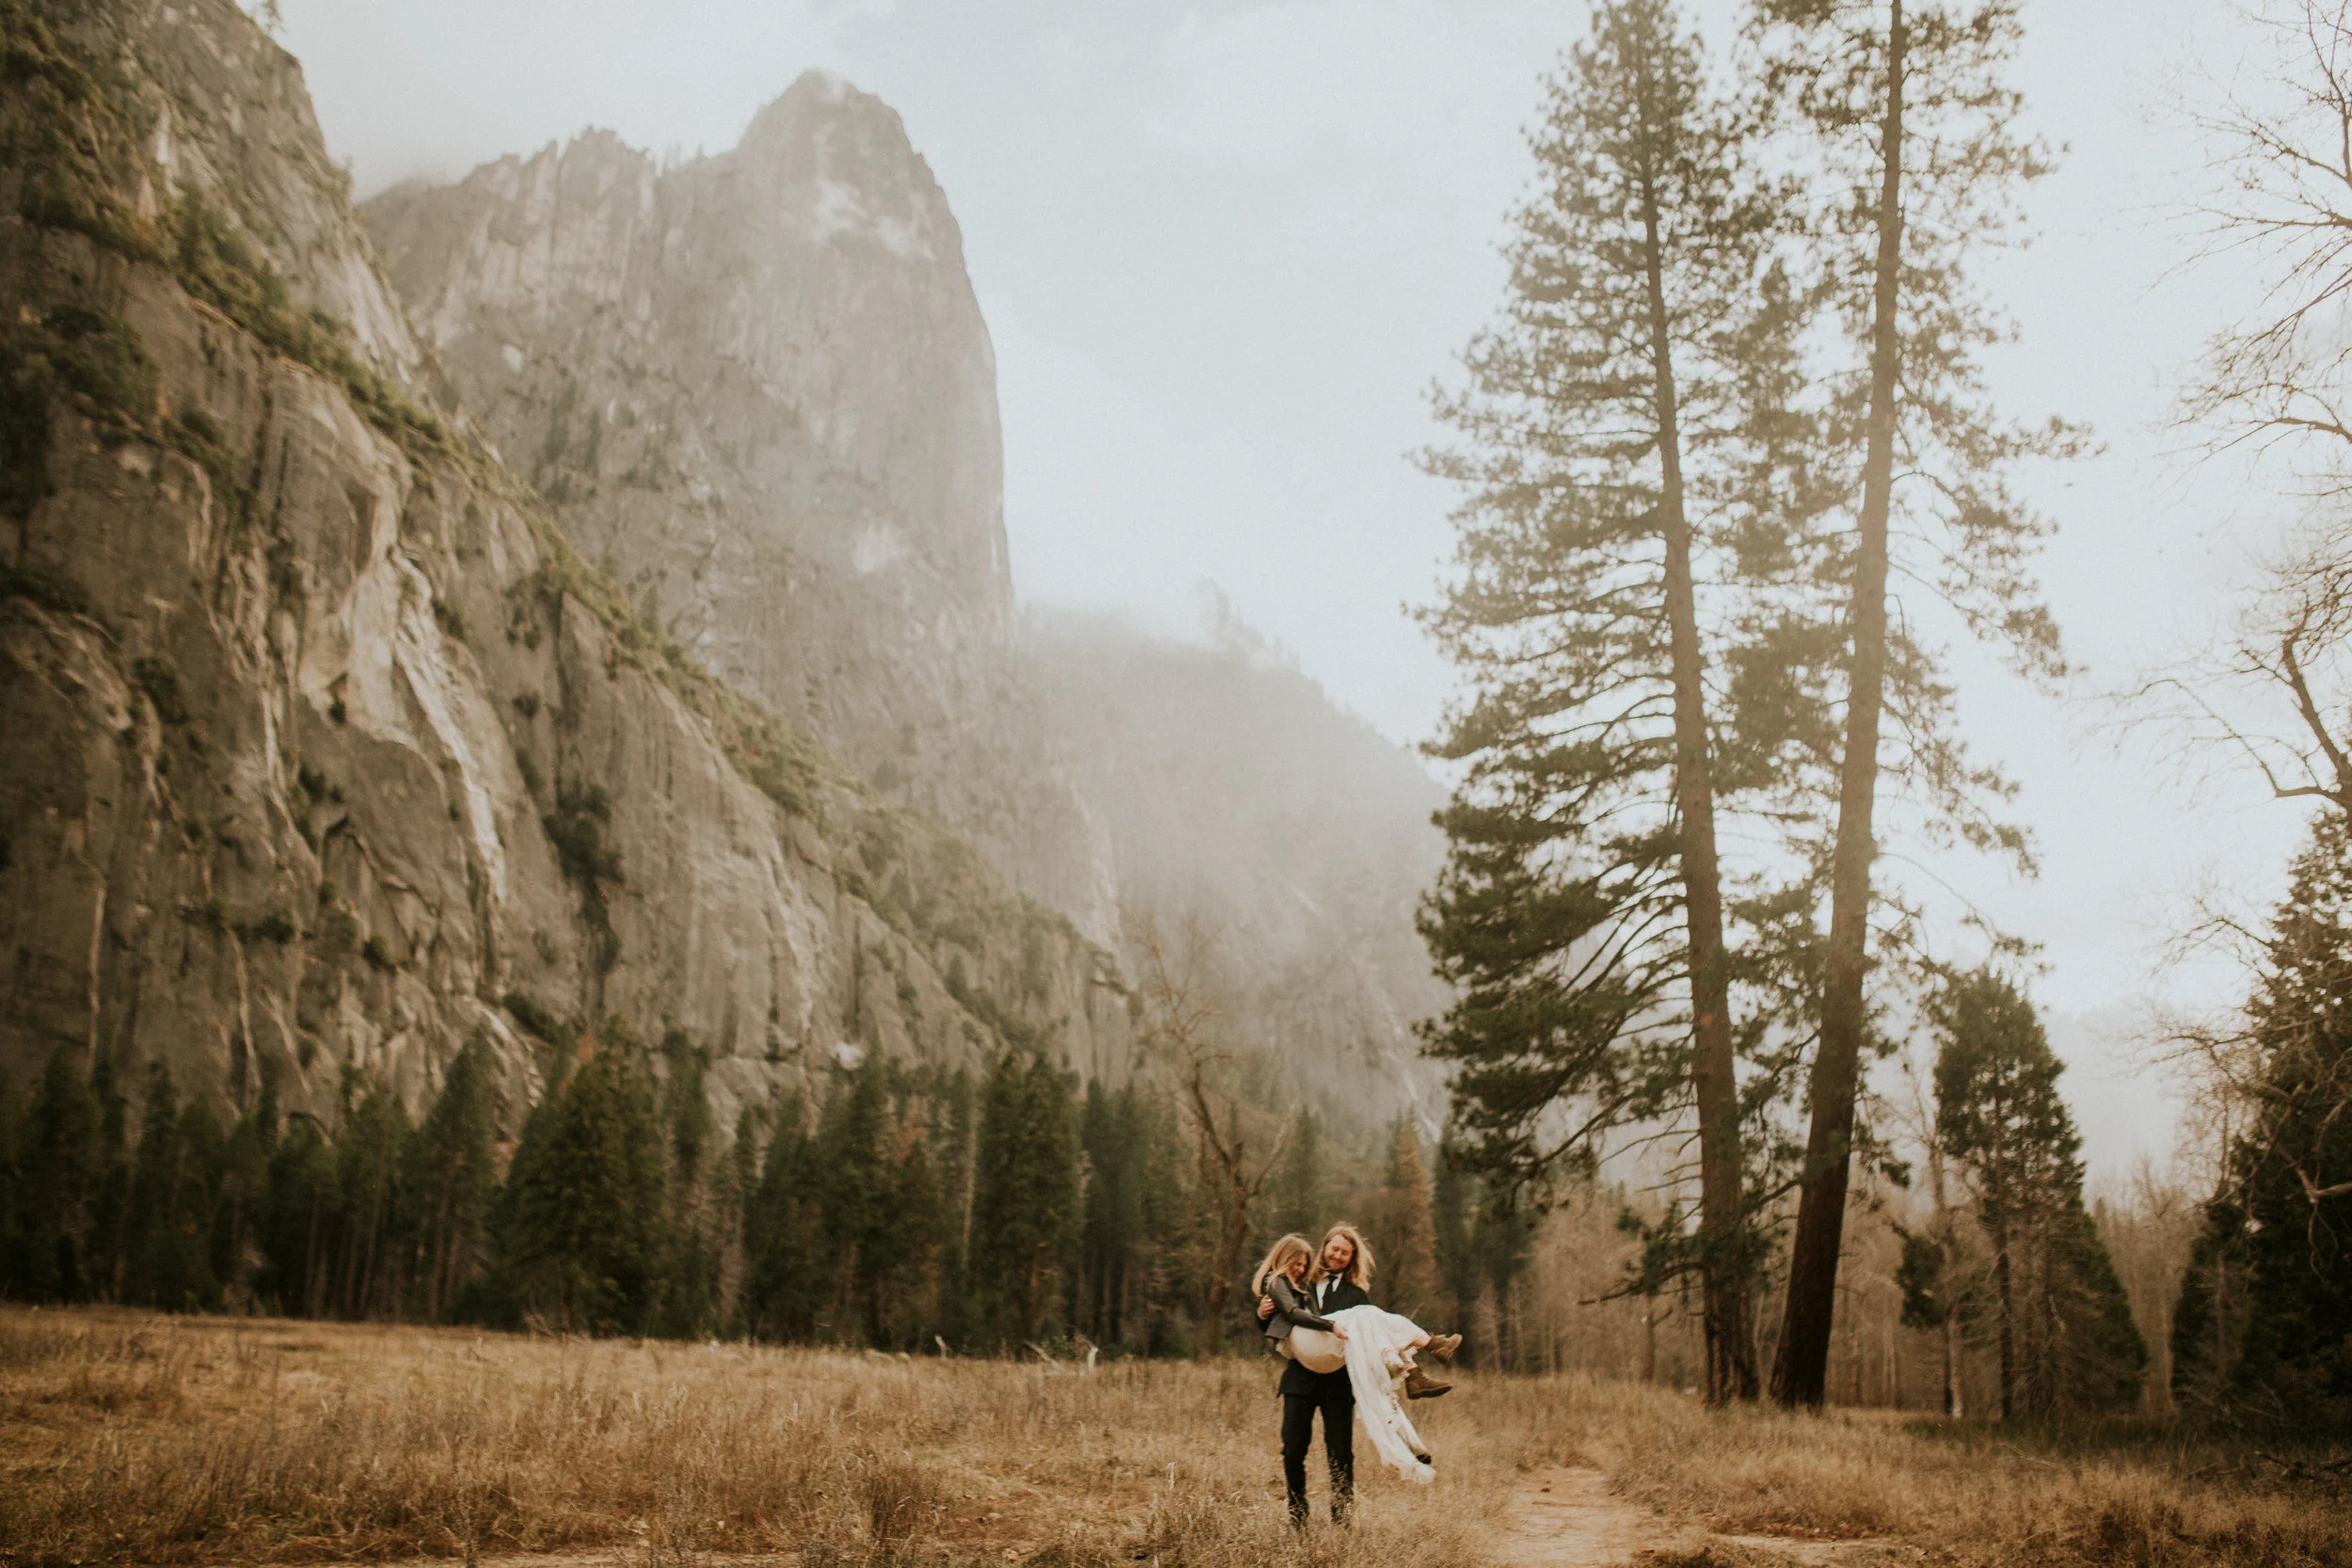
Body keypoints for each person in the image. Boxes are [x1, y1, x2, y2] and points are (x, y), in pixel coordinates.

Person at [1251, 1224, 1464, 1524]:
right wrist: (1261, 1316)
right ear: (1324, 1247)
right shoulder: (1299, 1279)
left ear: (1351, 1259)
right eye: (1333, 1249)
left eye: (1344, 1253)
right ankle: (1297, 1517)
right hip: (1300, 1377)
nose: (1337, 1256)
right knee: (1293, 1448)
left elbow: (1371, 1341)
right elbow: (1280, 1320)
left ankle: (1343, 1520)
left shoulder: (1356, 1294)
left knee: (1341, 1453)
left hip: (1338, 1380)